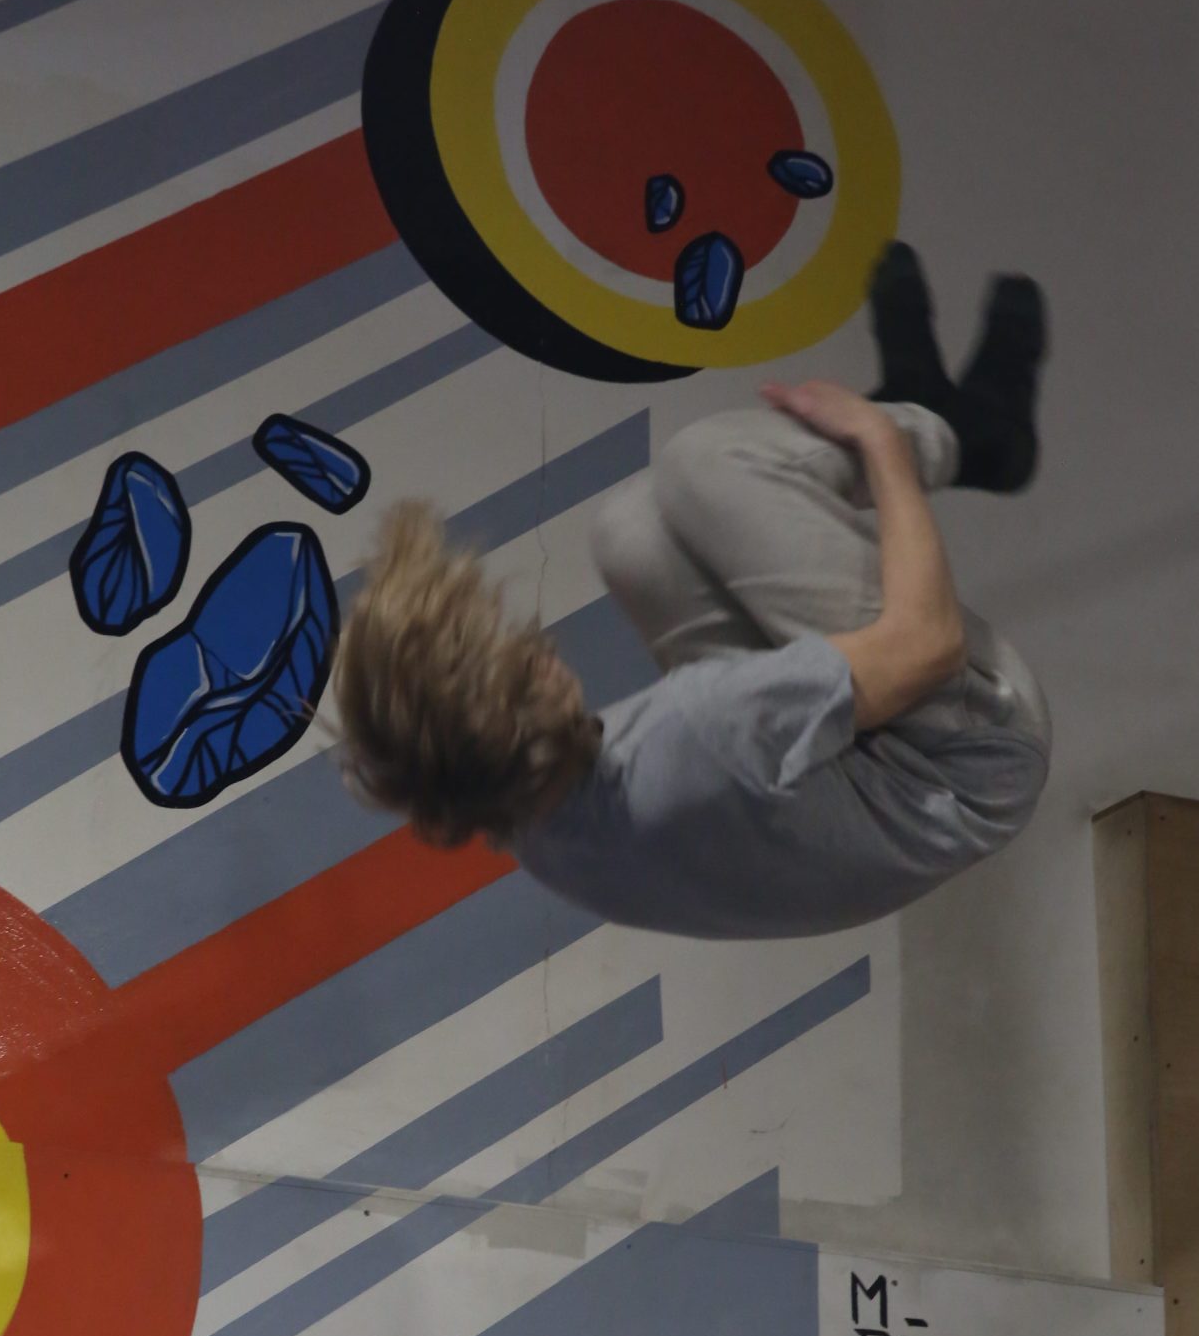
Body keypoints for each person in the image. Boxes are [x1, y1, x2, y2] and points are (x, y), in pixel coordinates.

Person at [332, 243, 1051, 941]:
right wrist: (880, 444)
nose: (542, 648)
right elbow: (928, 646)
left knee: (630, 531)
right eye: (525, 662)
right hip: (973, 760)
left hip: (819, 810)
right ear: (514, 720)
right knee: (705, 465)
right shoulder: (703, 729)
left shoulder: (530, 827)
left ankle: (913, 415)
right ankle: (966, 433)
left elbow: (714, 754)